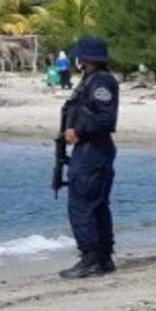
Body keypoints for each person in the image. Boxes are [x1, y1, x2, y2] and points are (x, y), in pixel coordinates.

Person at [59, 37, 119, 279]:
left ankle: (92, 258)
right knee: (96, 204)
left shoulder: (101, 82)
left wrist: (78, 131)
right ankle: (103, 258)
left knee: (82, 205)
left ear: (87, 59)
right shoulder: (91, 80)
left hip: (93, 149)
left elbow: (105, 119)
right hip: (91, 149)